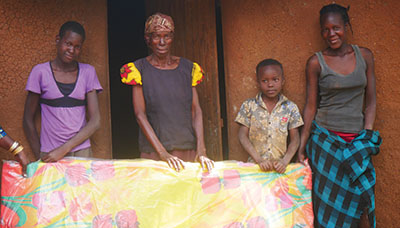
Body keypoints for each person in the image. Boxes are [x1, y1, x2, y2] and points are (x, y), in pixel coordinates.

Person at [297, 4, 381, 228]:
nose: (331, 33)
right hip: (326, 142)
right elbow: (311, 106)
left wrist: (367, 137)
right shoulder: (316, 62)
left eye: (336, 27)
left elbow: (370, 101)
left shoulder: (364, 56)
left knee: (363, 207)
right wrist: (302, 143)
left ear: (346, 25)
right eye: (325, 29)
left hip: (358, 142)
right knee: (329, 208)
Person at [120, 13, 213, 171]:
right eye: (156, 37)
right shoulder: (138, 70)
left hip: (187, 150)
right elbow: (140, 115)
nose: (162, 42)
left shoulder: (188, 69)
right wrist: (163, 154)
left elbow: (196, 110)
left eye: (167, 36)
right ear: (147, 39)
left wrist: (201, 149)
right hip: (154, 155)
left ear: (173, 37)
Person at [23, 21, 102, 162]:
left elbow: (95, 121)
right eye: (68, 43)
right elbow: (28, 119)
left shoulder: (88, 72)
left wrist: (64, 149)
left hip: (81, 152)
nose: (72, 50)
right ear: (58, 40)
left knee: (82, 185)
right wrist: (39, 156)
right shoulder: (40, 72)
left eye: (77, 47)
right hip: (49, 153)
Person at [235, 59, 303, 173]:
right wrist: (259, 160)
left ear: (282, 81)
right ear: (258, 82)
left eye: (275, 79)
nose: (270, 84)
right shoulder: (249, 106)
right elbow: (242, 135)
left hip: (280, 168)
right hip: (255, 167)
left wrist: (284, 161)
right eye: (264, 80)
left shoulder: (290, 108)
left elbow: (295, 139)